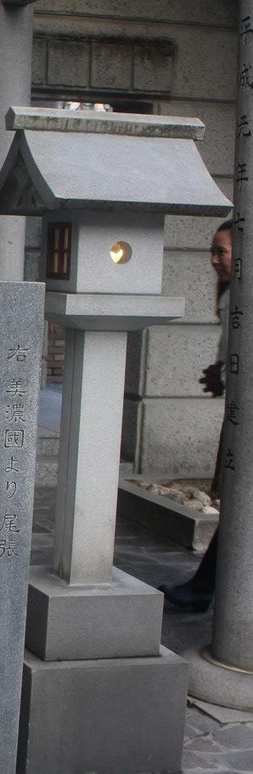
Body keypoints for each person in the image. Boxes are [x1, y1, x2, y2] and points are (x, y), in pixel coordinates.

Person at [160, 219, 231, 612]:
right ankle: (203, 587)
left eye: (222, 251)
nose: (214, 260)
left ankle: (203, 588)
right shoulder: (228, 294)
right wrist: (219, 372)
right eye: (213, 251)